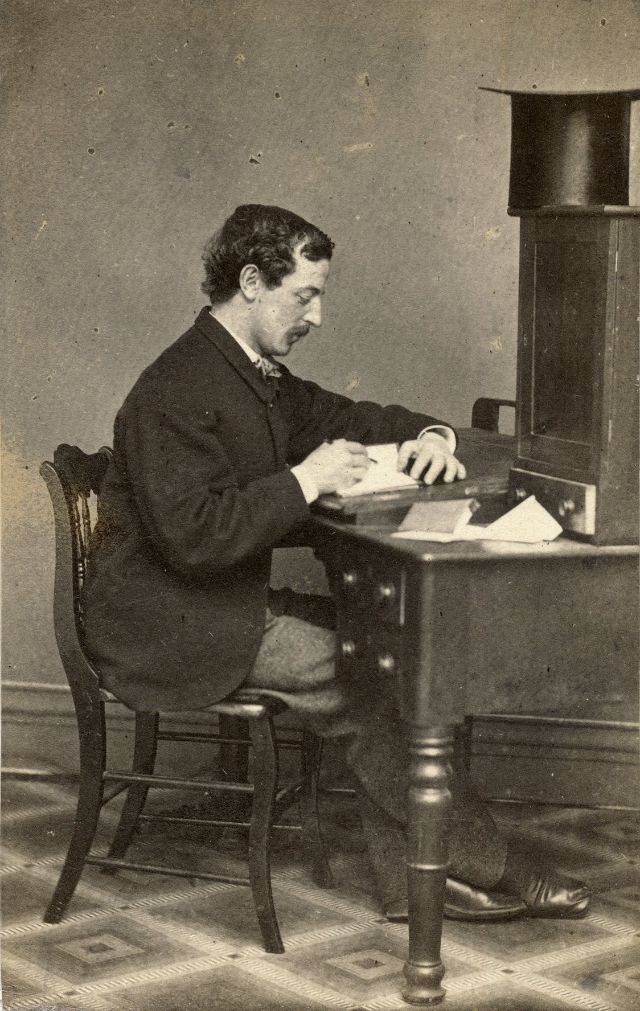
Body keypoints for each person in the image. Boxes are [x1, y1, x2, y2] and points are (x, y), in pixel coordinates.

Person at [83, 203, 591, 922]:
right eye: (305, 295)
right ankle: (488, 864)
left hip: (217, 605)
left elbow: (355, 418)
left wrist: (433, 435)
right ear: (252, 281)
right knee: (368, 675)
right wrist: (305, 480)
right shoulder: (175, 388)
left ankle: (415, 879)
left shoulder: (251, 373)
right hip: (168, 621)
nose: (317, 316)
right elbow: (194, 538)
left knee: (392, 656)